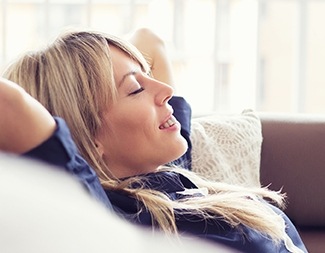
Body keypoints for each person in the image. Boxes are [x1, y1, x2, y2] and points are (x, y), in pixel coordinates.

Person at [1, 28, 307, 252]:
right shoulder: (109, 217)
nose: (165, 90)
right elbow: (11, 105)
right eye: (135, 89)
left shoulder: (163, 173)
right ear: (89, 139)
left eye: (147, 74)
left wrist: (89, 56)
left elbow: (149, 40)